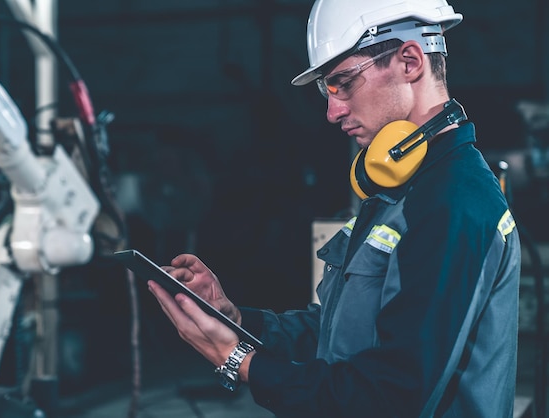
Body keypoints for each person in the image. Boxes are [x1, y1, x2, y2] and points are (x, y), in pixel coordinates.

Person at [147, 0, 522, 416]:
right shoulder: (401, 190)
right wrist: (235, 319)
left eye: (343, 82)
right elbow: (338, 338)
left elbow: (390, 398)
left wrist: (239, 360)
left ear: (410, 61)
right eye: (327, 89)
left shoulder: (453, 202)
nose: (332, 111)